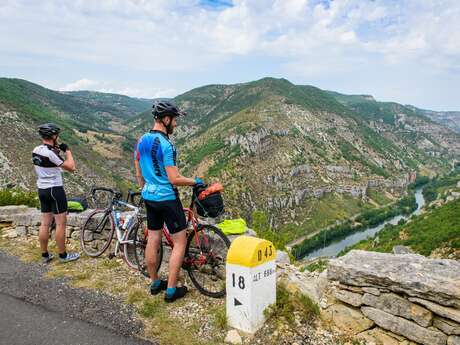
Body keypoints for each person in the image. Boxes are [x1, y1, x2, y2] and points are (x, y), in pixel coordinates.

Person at [134, 101, 203, 303]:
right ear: (166, 119)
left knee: (153, 238)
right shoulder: (167, 145)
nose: (176, 124)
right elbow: (174, 179)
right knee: (180, 242)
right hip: (166, 197)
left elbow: (138, 172)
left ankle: (155, 282)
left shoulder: (141, 140)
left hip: (149, 195)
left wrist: (146, 186)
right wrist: (195, 181)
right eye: (174, 120)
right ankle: (171, 291)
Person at [32, 123, 80, 264]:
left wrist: (56, 149)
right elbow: (71, 168)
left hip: (42, 189)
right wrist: (68, 151)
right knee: (60, 224)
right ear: (53, 136)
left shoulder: (36, 150)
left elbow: (47, 160)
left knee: (45, 223)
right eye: (57, 135)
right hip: (55, 189)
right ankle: (63, 255)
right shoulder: (50, 153)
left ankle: (45, 254)